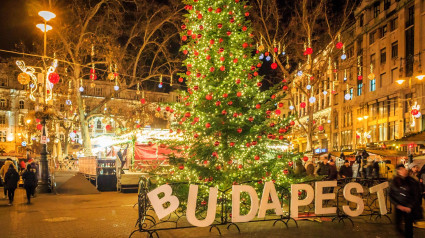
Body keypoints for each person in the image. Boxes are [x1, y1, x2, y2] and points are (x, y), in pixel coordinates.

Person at [390, 164, 422, 238]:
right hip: (399, 207)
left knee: (408, 226)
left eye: (403, 169)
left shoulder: (412, 181)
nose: (403, 171)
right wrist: (397, 205)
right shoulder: (394, 181)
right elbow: (391, 194)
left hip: (408, 207)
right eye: (400, 169)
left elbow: (416, 195)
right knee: (398, 226)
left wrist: (410, 206)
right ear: (398, 171)